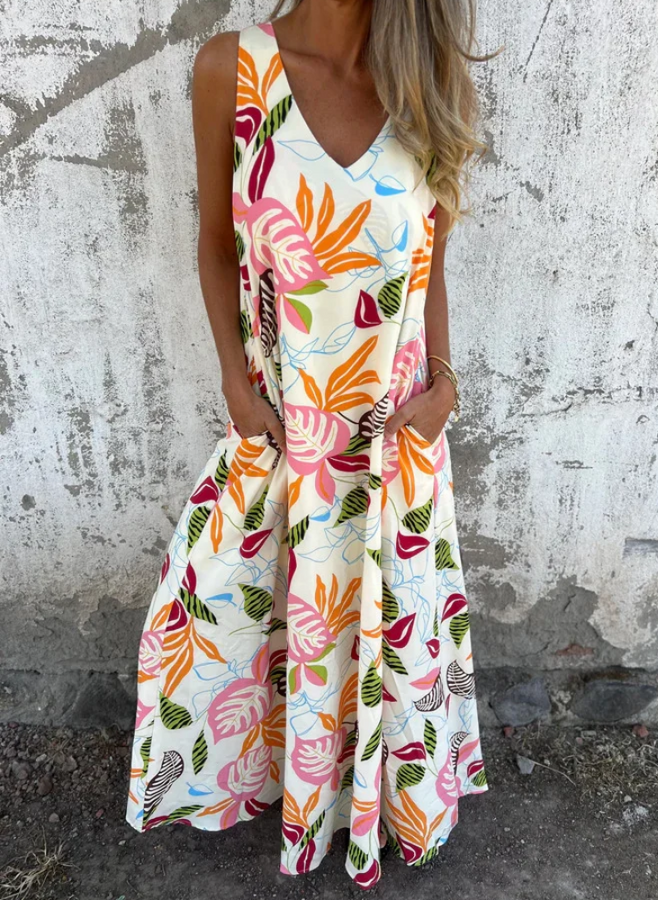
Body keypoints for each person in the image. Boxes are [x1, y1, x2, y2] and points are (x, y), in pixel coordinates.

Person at [125, 0, 501, 888]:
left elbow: (429, 259)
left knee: (379, 631)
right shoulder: (232, 69)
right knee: (224, 620)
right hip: (285, 432)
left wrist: (445, 383)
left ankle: (375, 804)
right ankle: (295, 795)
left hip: (392, 446)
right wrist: (235, 381)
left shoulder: (426, 78)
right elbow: (216, 247)